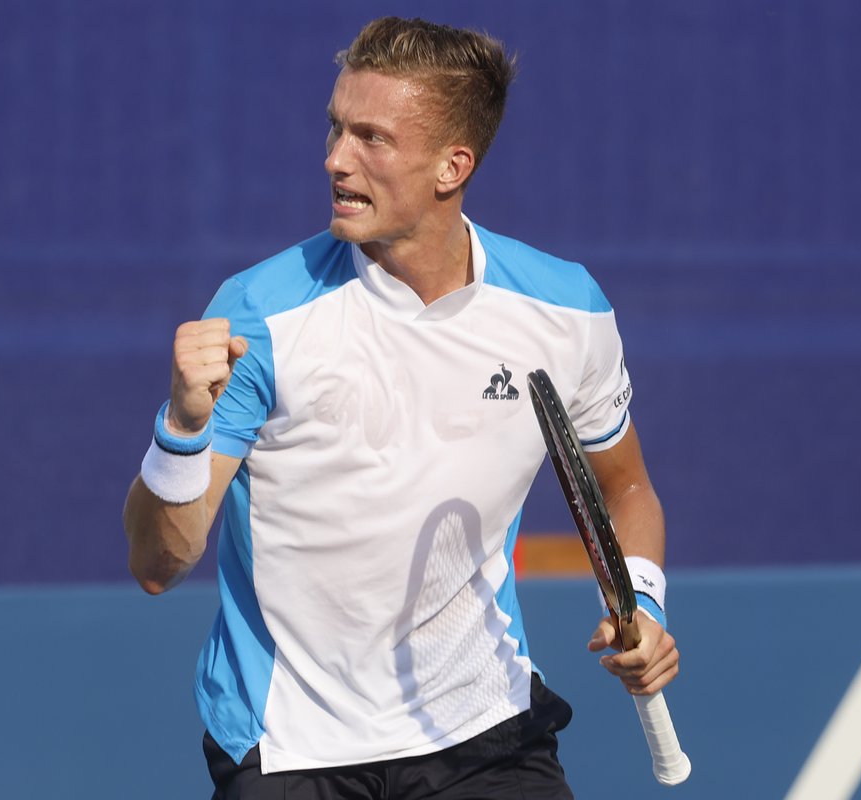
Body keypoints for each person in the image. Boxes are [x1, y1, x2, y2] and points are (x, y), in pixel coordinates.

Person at [123, 16, 679, 800]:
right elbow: (157, 564)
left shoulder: (568, 313)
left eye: (371, 138)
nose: (334, 159)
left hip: (487, 735)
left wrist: (644, 602)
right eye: (335, 129)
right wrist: (181, 431)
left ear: (454, 165)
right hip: (292, 751)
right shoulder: (258, 315)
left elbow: (623, 487)